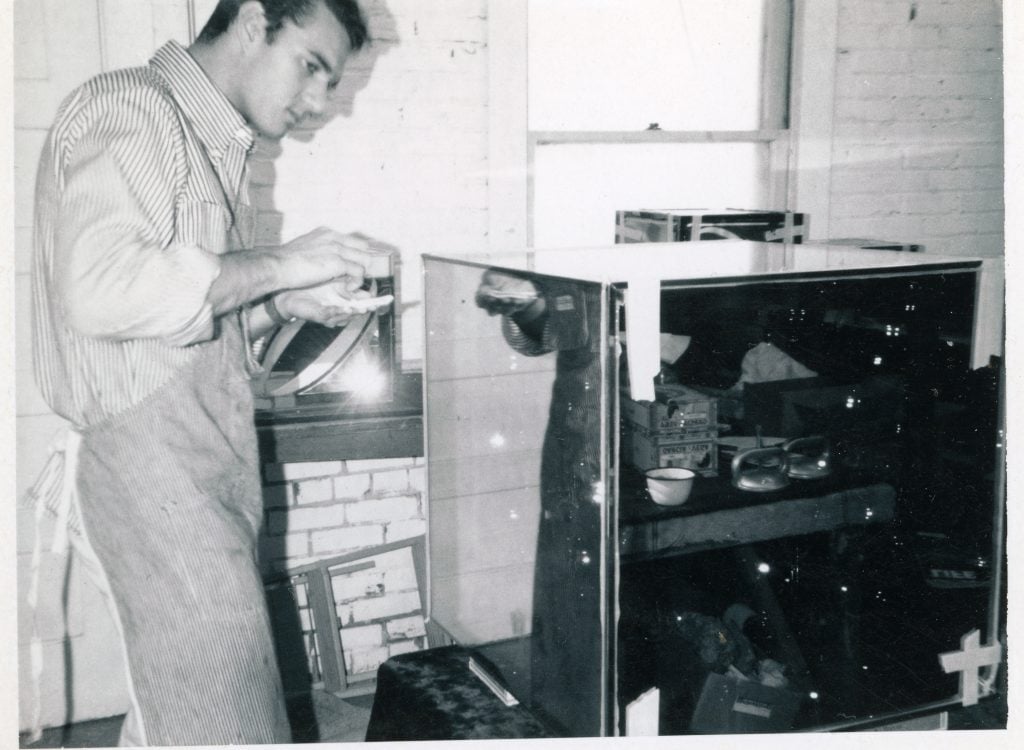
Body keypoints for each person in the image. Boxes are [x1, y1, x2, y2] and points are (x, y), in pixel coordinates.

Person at [31, 1, 374, 744]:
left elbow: (188, 329)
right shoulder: (132, 106)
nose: (318, 103)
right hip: (146, 468)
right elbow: (100, 291)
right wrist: (280, 263)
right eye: (311, 66)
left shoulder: (215, 145)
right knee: (227, 725)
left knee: (184, 711)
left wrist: (283, 300)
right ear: (254, 22)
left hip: (198, 467)